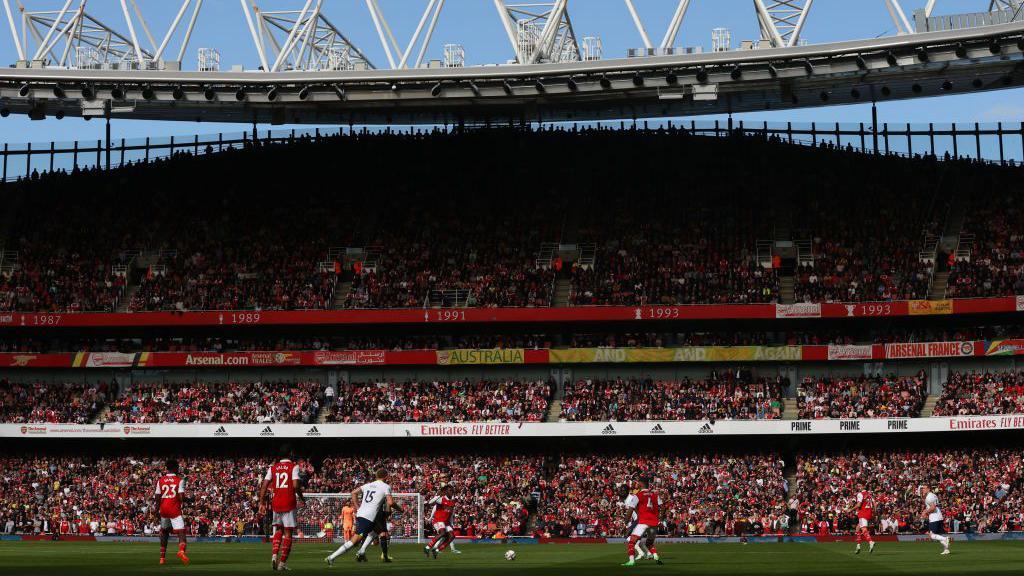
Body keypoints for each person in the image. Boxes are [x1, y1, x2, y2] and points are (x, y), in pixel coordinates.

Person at [325, 469, 401, 566]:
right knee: (355, 540)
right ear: (386, 477)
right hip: (368, 517)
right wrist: (400, 509)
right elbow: (391, 502)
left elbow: (353, 493)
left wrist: (357, 507)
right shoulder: (386, 486)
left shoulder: (368, 485)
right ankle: (331, 558)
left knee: (377, 532)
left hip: (363, 514)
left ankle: (362, 552)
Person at [258, 445, 305, 571]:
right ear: (290, 454)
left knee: (279, 529)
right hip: (289, 502)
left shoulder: (272, 468)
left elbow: (264, 486)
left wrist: (261, 502)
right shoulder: (293, 467)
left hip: (276, 503)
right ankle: (282, 563)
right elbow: (295, 485)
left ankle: (274, 555)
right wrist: (301, 496)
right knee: (288, 533)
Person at [153, 459, 189, 566]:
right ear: (175, 468)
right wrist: (188, 499)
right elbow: (182, 497)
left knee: (164, 532)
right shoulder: (180, 480)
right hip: (174, 509)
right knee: (181, 532)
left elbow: (157, 497)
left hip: (163, 509)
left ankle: (162, 558)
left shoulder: (161, 480)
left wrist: (156, 510)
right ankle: (181, 551)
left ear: (167, 468)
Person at [621, 478, 662, 567]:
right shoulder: (655, 495)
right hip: (654, 523)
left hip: (643, 522)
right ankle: (656, 557)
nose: (637, 484)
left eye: (638, 483)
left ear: (641, 484)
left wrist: (625, 523)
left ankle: (631, 561)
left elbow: (630, 510)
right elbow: (662, 507)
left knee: (631, 541)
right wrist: (660, 519)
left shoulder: (638, 495)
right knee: (649, 543)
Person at [424, 485, 456, 559]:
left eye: (452, 490)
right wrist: (438, 496)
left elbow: (451, 513)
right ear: (446, 492)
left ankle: (437, 550)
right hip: (438, 520)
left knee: (452, 536)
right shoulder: (441, 499)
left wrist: (451, 523)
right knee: (443, 533)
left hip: (446, 522)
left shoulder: (452, 501)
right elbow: (430, 502)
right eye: (450, 490)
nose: (451, 492)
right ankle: (427, 547)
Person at [920, 484, 951, 555]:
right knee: (938, 534)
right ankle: (946, 550)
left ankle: (945, 539)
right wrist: (926, 511)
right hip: (939, 516)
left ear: (928, 489)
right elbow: (933, 506)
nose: (923, 490)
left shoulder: (929, 497)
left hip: (934, 517)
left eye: (924, 488)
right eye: (922, 488)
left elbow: (933, 507)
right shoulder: (933, 495)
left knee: (932, 535)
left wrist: (925, 512)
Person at [852, 484, 875, 554]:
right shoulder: (869, 494)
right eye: (858, 486)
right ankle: (858, 545)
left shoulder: (860, 494)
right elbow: (875, 503)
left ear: (863, 487)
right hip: (869, 513)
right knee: (857, 528)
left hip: (863, 513)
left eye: (859, 486)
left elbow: (859, 505)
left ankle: (871, 542)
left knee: (864, 529)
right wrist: (874, 513)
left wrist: (850, 509)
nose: (858, 487)